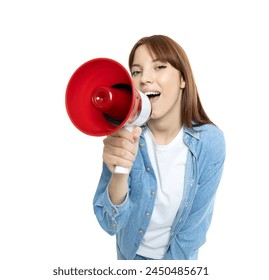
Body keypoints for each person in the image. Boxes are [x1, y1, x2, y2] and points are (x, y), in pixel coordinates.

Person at [93, 35, 226, 260]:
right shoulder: (125, 135)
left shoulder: (210, 142)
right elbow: (110, 223)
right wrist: (119, 173)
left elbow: (192, 233)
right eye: (136, 71)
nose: (145, 79)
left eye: (159, 67)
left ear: (183, 79)